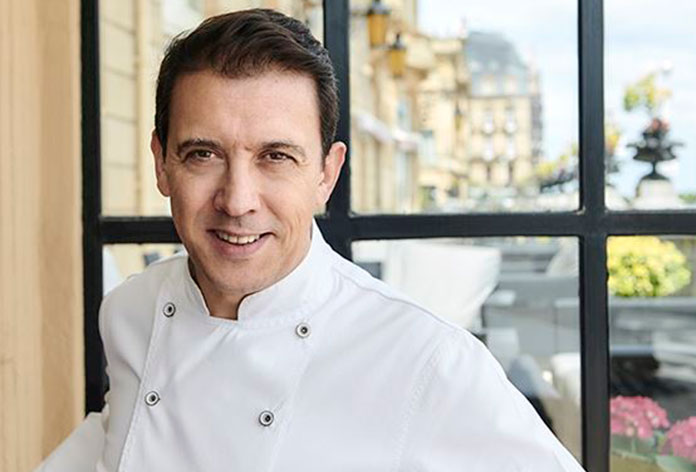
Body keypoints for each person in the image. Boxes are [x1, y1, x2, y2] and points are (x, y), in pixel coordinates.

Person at [39, 9, 585, 471]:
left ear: (327, 173)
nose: (237, 200)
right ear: (162, 164)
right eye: (203, 154)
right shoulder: (131, 312)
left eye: (276, 156)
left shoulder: (426, 358)